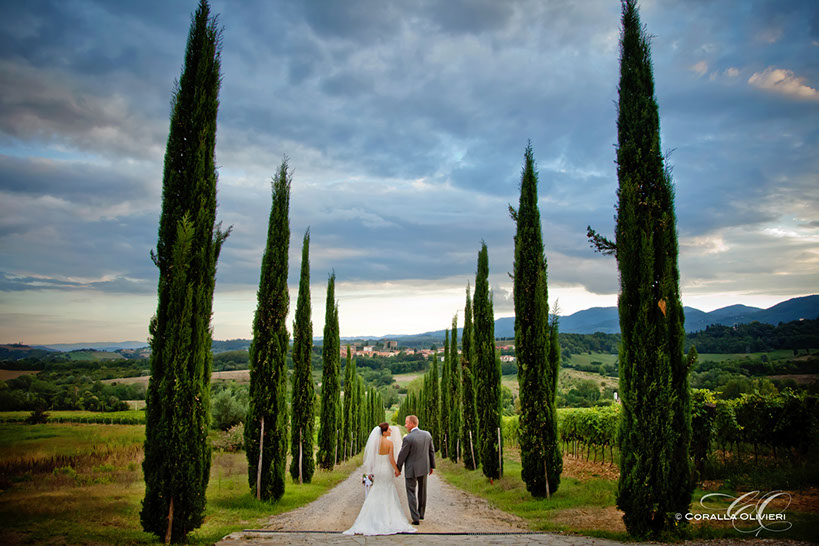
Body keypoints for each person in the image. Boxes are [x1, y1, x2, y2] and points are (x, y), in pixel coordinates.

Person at [343, 423, 417, 536]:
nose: (391, 430)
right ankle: (387, 517)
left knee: (377, 490)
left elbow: (371, 459)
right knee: (388, 491)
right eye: (389, 429)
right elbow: (391, 459)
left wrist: (370, 472)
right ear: (384, 431)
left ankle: (372, 517)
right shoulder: (389, 443)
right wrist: (397, 470)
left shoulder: (375, 444)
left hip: (377, 470)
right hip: (386, 470)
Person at [395, 414, 435, 525]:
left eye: (406, 423)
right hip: (424, 468)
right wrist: (432, 466)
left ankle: (415, 518)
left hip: (411, 470)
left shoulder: (408, 438)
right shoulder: (427, 435)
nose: (405, 425)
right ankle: (421, 514)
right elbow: (431, 451)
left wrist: (398, 469)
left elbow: (402, 455)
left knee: (411, 492)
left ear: (412, 424)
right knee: (423, 491)